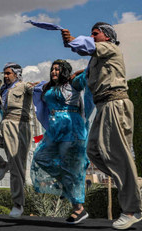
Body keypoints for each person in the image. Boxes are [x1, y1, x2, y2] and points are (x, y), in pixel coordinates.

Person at [62, 23, 142, 229]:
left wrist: (72, 40)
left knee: (116, 154)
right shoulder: (98, 58)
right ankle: (136, 184)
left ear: (108, 37)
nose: (92, 36)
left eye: (96, 33)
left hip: (114, 104)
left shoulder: (111, 47)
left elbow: (88, 47)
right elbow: (94, 65)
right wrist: (80, 72)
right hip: (104, 107)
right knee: (94, 151)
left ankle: (132, 210)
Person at [31, 59, 90, 224]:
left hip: (70, 127)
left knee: (69, 166)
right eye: (52, 69)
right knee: (40, 157)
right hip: (54, 129)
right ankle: (66, 183)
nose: (53, 72)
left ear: (64, 71)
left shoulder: (74, 83)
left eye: (57, 69)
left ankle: (79, 209)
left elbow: (90, 73)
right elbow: (40, 90)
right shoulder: (49, 87)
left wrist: (78, 73)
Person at [0, 63, 37, 218]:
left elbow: (35, 89)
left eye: (8, 73)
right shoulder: (3, 89)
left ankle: (18, 204)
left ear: (16, 74)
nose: (5, 76)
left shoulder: (24, 86)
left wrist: (41, 85)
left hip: (19, 126)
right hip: (4, 124)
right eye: (4, 73)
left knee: (17, 167)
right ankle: (2, 164)